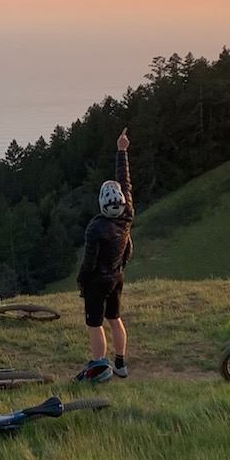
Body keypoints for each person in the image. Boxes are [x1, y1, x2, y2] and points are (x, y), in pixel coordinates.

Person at [75, 129, 133, 381]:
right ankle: (120, 364)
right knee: (114, 319)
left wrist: (81, 280)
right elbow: (125, 181)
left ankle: (99, 368)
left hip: (98, 281)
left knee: (95, 324)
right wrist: (122, 151)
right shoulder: (127, 215)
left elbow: (89, 261)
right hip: (117, 275)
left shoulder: (96, 227)